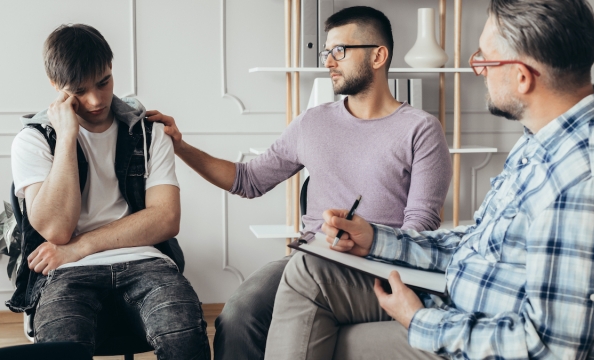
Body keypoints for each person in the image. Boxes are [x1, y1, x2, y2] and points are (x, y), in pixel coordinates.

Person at [264, 0, 594, 359]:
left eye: (485, 60)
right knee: (309, 272)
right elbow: (478, 243)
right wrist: (377, 239)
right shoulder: (547, 139)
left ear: (522, 77)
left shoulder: (587, 181)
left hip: (473, 333)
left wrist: (419, 320)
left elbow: (549, 350)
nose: (479, 70)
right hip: (458, 299)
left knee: (321, 333)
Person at [148, 6, 452, 360]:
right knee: (238, 314)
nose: (328, 62)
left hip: (381, 267)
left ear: (378, 56)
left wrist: (370, 239)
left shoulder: (421, 129)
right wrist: (180, 146)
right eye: (327, 52)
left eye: (340, 51)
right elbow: (248, 180)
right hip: (312, 258)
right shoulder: (312, 123)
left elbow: (422, 225)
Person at [7, 24, 210, 359]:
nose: (96, 99)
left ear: (111, 68)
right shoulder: (33, 140)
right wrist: (68, 135)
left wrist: (82, 245)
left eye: (103, 82)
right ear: (56, 86)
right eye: (79, 90)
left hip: (145, 260)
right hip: (64, 272)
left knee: (184, 335)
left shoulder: (148, 132)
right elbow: (57, 229)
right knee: (61, 346)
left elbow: (166, 219)